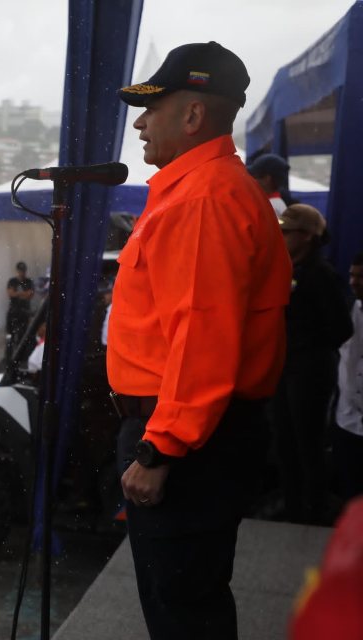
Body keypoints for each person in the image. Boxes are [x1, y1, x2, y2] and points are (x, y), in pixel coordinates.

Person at [109, 41, 293, 639]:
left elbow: (202, 334)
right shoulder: (198, 190)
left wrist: (160, 448)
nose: (139, 122)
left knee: (184, 611)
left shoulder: (206, 198)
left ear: (192, 116)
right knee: (184, 601)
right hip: (193, 435)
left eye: (152, 108)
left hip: (187, 444)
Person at [271, 204, 353, 524]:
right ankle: (292, 505)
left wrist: (308, 349)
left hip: (309, 369)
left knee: (307, 440)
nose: (281, 237)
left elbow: (341, 328)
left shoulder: (320, 274)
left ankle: (313, 509)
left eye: (286, 232)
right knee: (284, 439)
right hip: (286, 366)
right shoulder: (290, 269)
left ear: (306, 236)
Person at [334, 252, 363, 499]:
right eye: (352, 275)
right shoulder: (346, 309)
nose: (354, 282)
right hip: (348, 418)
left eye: (361, 277)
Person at [5, 261, 34, 363]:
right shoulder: (12, 281)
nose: (22, 273)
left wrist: (17, 293)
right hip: (13, 312)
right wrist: (23, 294)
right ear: (17, 271)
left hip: (24, 312)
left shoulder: (29, 281)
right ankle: (9, 358)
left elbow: (30, 295)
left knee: (23, 336)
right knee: (10, 336)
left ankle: (21, 358)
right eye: (20, 271)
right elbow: (10, 294)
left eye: (23, 271)